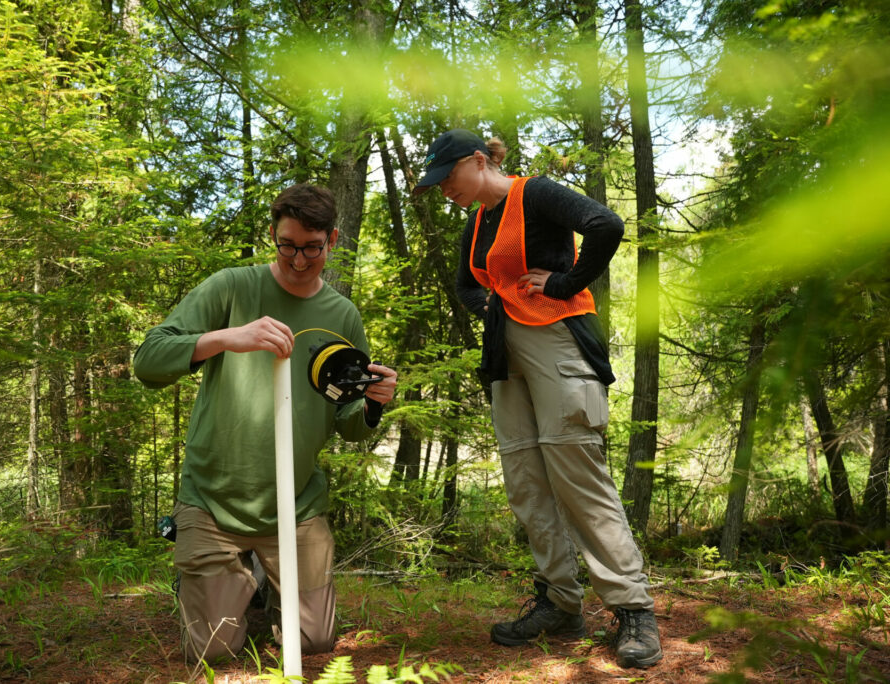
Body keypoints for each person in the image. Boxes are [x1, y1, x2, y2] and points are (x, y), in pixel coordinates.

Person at [413, 129, 661, 668]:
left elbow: (606, 224)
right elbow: (466, 285)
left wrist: (565, 283)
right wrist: (492, 309)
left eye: (447, 177)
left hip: (560, 343)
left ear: (478, 161)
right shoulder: (476, 221)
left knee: (577, 472)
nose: (444, 189)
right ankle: (560, 604)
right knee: (526, 480)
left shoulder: (536, 193)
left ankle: (633, 608)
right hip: (506, 355)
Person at [133, 183, 397, 665]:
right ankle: (226, 576)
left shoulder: (342, 315)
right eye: (288, 245)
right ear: (273, 237)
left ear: (332, 240)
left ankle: (265, 584)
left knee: (316, 642)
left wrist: (374, 405)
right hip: (212, 502)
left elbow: (349, 421)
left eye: (312, 248)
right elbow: (148, 361)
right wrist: (227, 337)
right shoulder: (232, 287)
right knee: (212, 651)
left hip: (295, 506)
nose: (299, 260)